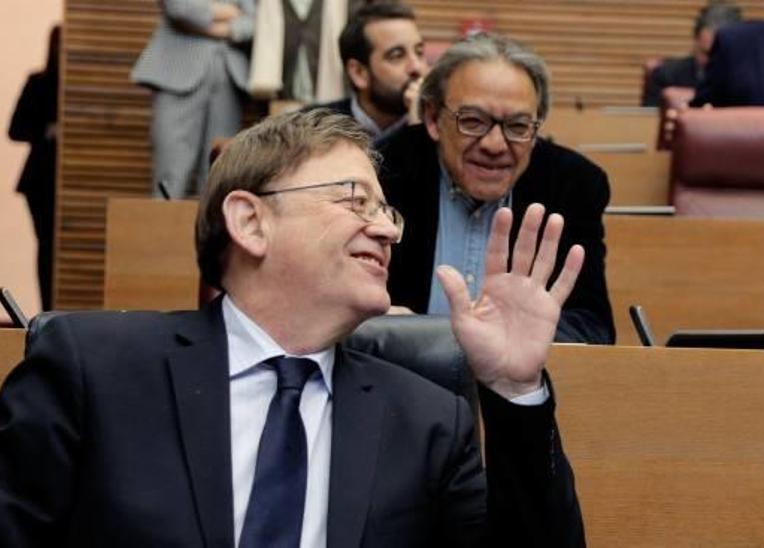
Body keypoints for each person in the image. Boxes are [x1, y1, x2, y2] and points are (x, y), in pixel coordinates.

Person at [0, 109, 585, 546]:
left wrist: (514, 390)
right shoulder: (93, 370)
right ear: (250, 222)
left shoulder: (427, 419)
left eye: (387, 212)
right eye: (356, 201)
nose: (386, 231)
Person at [377, 33, 615, 345]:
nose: (494, 145)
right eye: (473, 121)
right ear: (434, 119)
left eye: (517, 127)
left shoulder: (573, 184)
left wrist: (510, 337)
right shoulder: (381, 175)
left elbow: (591, 328)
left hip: (517, 383)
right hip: (398, 376)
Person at [132, 0, 256, 199]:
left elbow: (256, 21)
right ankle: (162, 229)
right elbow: (180, 9)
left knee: (218, 172)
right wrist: (231, 12)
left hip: (229, 77)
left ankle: (211, 229)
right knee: (170, 170)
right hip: (176, 75)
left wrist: (216, 27)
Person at [310, 1, 427, 144]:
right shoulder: (314, 129)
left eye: (419, 52)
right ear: (358, 73)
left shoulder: (440, 126)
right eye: (397, 55)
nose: (416, 67)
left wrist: (419, 129)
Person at [9, 25, 60, 312]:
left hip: (71, 179)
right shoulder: (39, 83)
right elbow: (15, 129)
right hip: (40, 179)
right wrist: (48, 130)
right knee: (47, 246)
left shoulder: (77, 88)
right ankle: (47, 309)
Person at [641, 1, 742, 107]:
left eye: (720, 55)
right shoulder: (665, 77)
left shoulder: (750, 83)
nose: (712, 61)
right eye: (706, 53)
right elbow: (648, 122)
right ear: (695, 42)